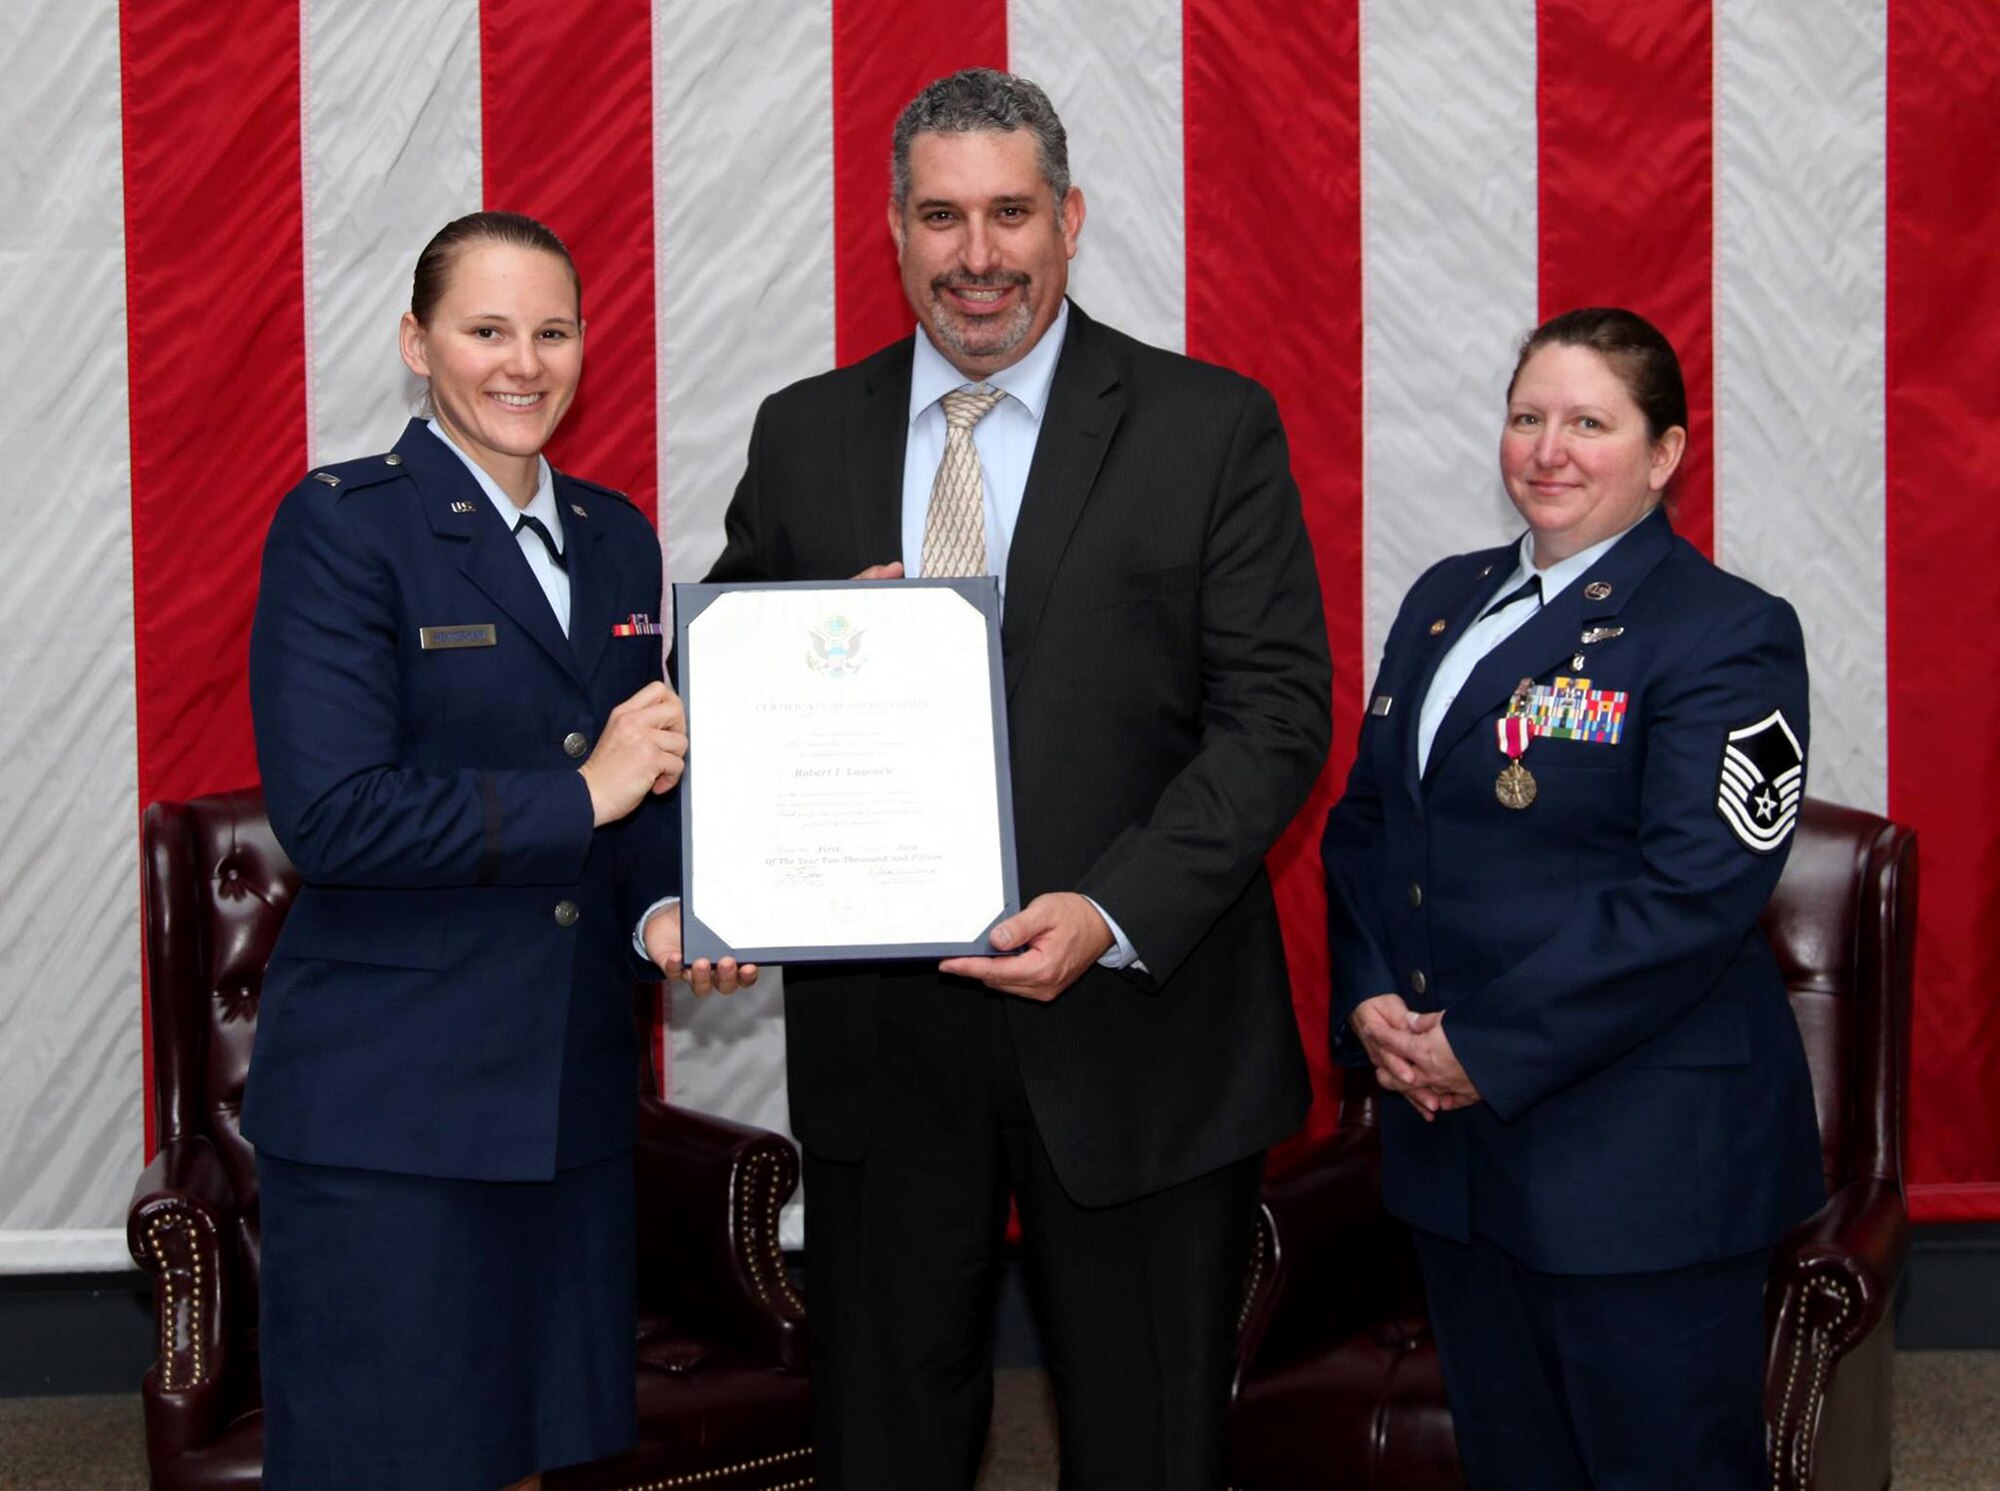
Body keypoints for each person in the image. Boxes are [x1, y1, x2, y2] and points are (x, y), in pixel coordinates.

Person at [706, 68, 1331, 1491]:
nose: (976, 254)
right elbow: (730, 699)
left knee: (1146, 1437)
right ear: (893, 229)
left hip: (1134, 1033)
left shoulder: (1209, 425)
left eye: (1008, 213)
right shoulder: (805, 432)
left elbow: (1278, 714)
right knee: (887, 1438)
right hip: (885, 1046)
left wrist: (1109, 911)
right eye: (942, 216)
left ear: (1069, 219)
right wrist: (776, 724)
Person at [245, 210, 747, 1491]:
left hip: (567, 1108)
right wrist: (581, 796)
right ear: (418, 345)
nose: (522, 363)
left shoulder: (617, 535)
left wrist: (667, 915)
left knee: (527, 1460)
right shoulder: (344, 528)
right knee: (390, 1467)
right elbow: (338, 815)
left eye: (552, 330)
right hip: (393, 1117)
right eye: (485, 331)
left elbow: (646, 783)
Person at [1321, 307, 1825, 1490]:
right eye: (1525, 417)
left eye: (1588, 423)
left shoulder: (1725, 632)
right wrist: (1371, 1000)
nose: (1546, 450)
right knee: (1514, 1465)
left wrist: (1476, 1047)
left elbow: (1690, 893)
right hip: (1454, 1145)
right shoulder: (1445, 598)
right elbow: (1365, 829)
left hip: (1639, 1158)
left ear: (1662, 455)